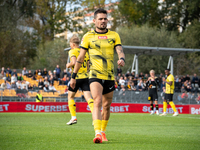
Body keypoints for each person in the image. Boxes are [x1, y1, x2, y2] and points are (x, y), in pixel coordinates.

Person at [70, 8, 125, 143]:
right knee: (97, 101)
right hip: (94, 74)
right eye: (100, 19)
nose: (103, 21)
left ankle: (104, 131)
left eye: (105, 18)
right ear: (94, 21)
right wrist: (73, 76)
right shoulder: (88, 36)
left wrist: (122, 59)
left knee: (106, 106)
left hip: (109, 76)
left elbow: (120, 50)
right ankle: (97, 133)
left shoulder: (114, 35)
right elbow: (81, 58)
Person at [66, 35, 94, 125]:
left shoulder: (72, 51)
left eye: (70, 44)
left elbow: (74, 62)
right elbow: (88, 65)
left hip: (76, 77)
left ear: (73, 44)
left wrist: (68, 65)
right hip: (86, 77)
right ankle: (95, 116)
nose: (70, 46)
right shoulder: (85, 52)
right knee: (89, 98)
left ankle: (73, 117)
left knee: (70, 97)